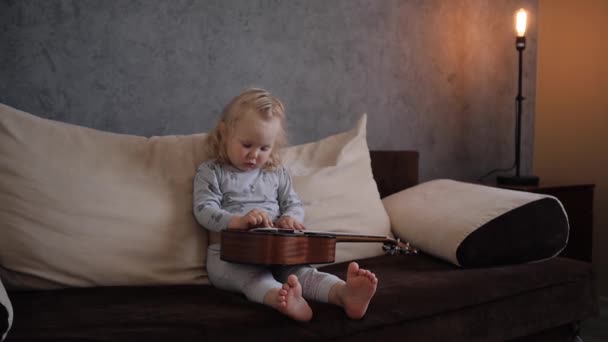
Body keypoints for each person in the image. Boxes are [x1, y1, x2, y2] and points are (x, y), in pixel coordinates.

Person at [192, 88, 378, 322]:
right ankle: (282, 300)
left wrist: (291, 217)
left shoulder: (276, 173)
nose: (254, 155)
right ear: (223, 133)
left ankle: (344, 294)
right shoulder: (212, 171)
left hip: (277, 253)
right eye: (247, 144)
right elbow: (203, 210)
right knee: (254, 279)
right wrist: (236, 221)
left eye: (264, 148)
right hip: (227, 258)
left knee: (304, 273)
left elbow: (293, 203)